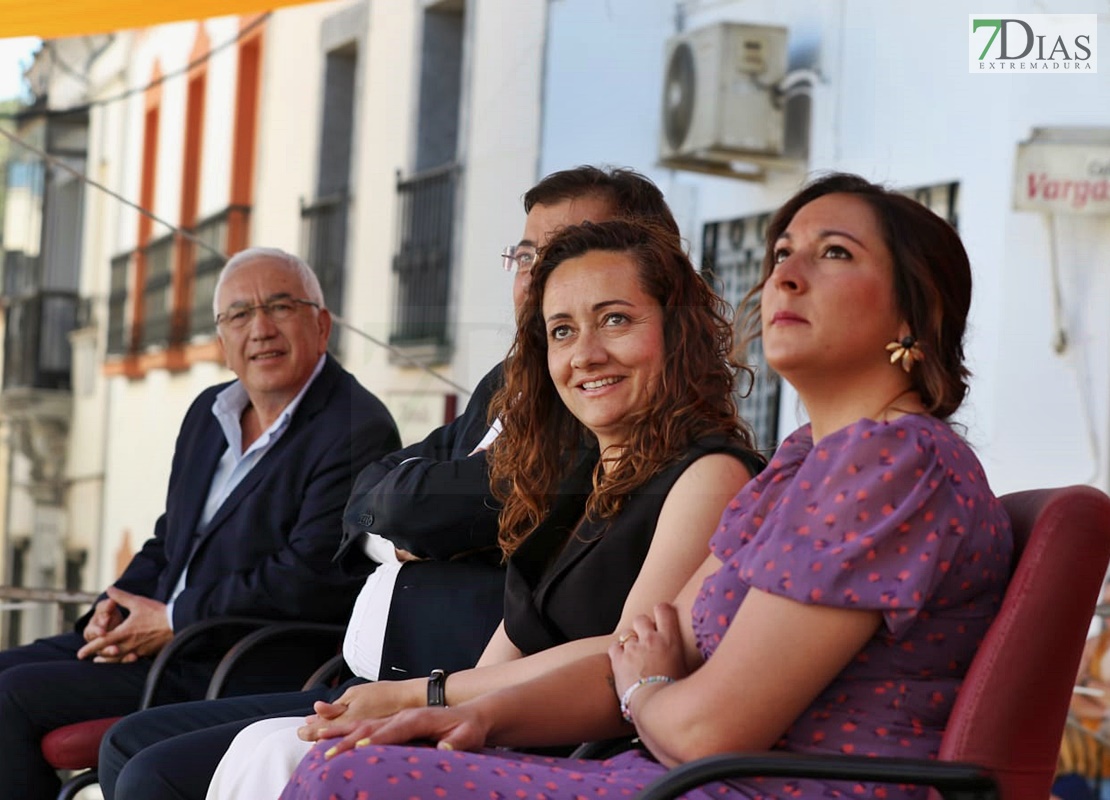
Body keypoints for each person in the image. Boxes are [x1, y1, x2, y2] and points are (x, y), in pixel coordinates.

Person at [278, 172, 1015, 800]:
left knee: (346, 779)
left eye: (834, 254)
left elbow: (701, 724)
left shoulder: (890, 462)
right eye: (783, 251)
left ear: (918, 311)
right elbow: (628, 660)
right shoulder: (805, 461)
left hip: (763, 787)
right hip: (680, 777)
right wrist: (471, 718)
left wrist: (649, 691)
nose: (785, 275)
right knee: (356, 758)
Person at [99, 166, 715, 800]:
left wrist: (430, 702)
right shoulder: (567, 440)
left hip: (514, 726)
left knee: (190, 765)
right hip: (426, 690)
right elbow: (376, 499)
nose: (583, 352)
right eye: (562, 327)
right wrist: (422, 699)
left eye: (613, 318)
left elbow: (619, 668)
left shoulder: (651, 466)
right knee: (161, 749)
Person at [0, 246, 401, 800]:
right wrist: (110, 608)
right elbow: (171, 541)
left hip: (234, 657)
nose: (259, 328)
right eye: (239, 314)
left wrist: (174, 617)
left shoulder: (355, 426)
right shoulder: (209, 412)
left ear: (322, 324)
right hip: (162, 640)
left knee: (10, 696)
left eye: (280, 307)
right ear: (222, 340)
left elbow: (308, 577)